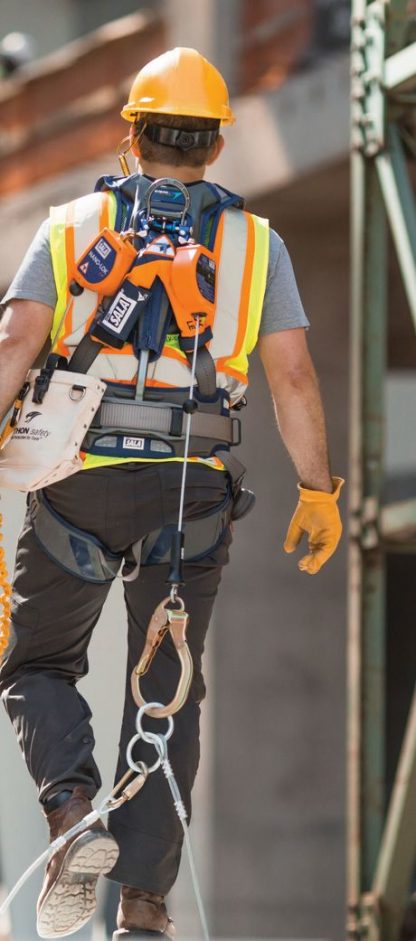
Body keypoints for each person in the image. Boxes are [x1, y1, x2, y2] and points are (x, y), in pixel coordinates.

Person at [0, 47, 343, 940]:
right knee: (166, 690)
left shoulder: (71, 224)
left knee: (38, 665)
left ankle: (73, 813)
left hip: (78, 485)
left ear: (132, 130)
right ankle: (145, 908)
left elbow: (13, 344)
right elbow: (294, 377)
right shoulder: (255, 245)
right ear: (218, 141)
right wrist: (319, 490)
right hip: (191, 498)